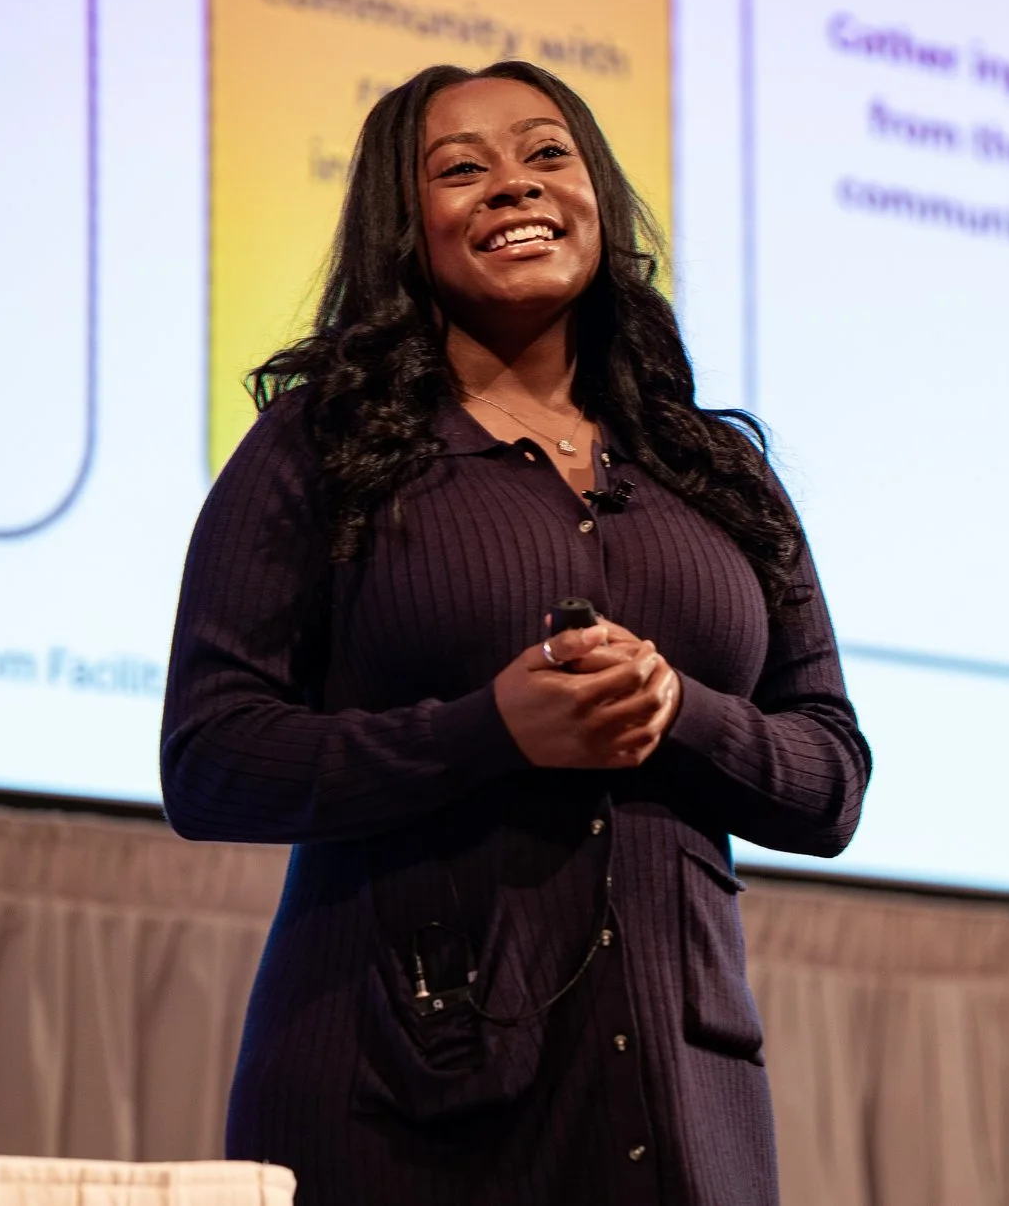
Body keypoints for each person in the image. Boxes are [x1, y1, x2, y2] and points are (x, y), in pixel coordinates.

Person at [160, 60, 870, 1206]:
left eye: (547, 153)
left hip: (681, 1096)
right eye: (460, 168)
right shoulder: (320, 441)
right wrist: (488, 728)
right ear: (406, 225)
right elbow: (209, 761)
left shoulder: (717, 471)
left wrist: (680, 710)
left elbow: (830, 782)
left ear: (598, 197)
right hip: (398, 1089)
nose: (513, 185)